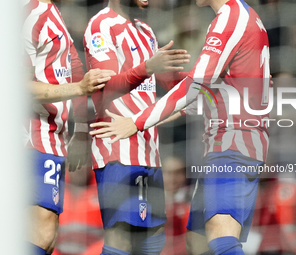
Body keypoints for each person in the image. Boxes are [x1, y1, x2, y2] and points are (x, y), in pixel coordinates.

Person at [90, 0, 271, 254]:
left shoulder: (231, 18)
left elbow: (194, 86)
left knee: (222, 238)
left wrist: (136, 121)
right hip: (221, 143)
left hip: (233, 143)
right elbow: (212, 91)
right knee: (196, 242)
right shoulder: (244, 15)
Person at [83, 0, 191, 254]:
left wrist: (228, 82)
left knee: (152, 238)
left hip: (148, 148)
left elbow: (173, 83)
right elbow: (106, 88)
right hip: (116, 145)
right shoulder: (101, 25)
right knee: (121, 238)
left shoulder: (145, 30)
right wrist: (147, 67)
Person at [23, 0, 117, 254]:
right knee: (40, 233)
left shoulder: (52, 13)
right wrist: (78, 89)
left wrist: (82, 132)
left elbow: (75, 69)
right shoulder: (28, 13)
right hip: (29, 135)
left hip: (53, 137)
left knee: (47, 236)